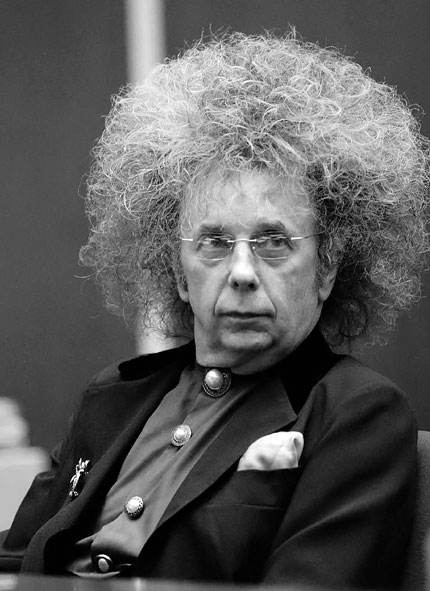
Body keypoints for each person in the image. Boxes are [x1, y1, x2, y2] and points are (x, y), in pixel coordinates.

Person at [0, 31, 429, 588]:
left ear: (326, 267)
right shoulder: (112, 400)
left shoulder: (355, 412)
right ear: (179, 273)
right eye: (214, 243)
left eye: (273, 242)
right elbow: (15, 562)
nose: (242, 272)